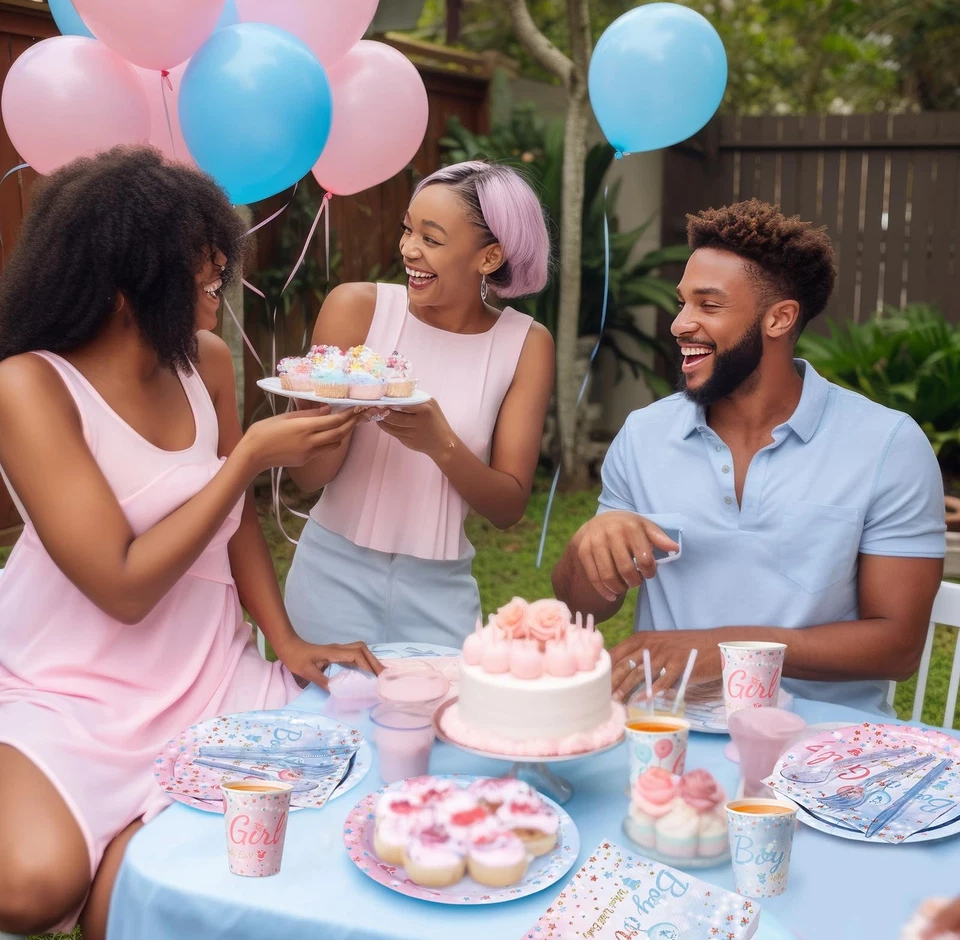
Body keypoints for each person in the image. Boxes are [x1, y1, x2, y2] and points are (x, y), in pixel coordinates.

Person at [0, 147, 382, 940]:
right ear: (121, 283)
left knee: (359, 787)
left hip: (210, 677)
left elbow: (233, 517)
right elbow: (122, 586)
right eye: (201, 267)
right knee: (33, 887)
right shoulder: (28, 387)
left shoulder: (204, 361)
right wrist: (245, 457)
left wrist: (284, 639)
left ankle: (128, 852)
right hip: (68, 690)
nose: (220, 275)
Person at [552, 199, 946, 715]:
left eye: (708, 306)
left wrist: (726, 651)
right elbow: (583, 608)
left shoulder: (889, 445)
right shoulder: (643, 435)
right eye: (682, 303)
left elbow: (896, 646)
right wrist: (587, 548)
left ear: (779, 318)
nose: (679, 324)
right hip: (665, 731)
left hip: (824, 742)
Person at [284, 160, 555, 648]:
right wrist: (322, 416)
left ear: (489, 257)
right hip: (331, 574)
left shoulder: (526, 343)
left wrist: (441, 444)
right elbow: (308, 480)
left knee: (439, 723)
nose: (409, 249)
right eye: (407, 230)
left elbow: (509, 506)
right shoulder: (356, 309)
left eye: (431, 239)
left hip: (441, 592)